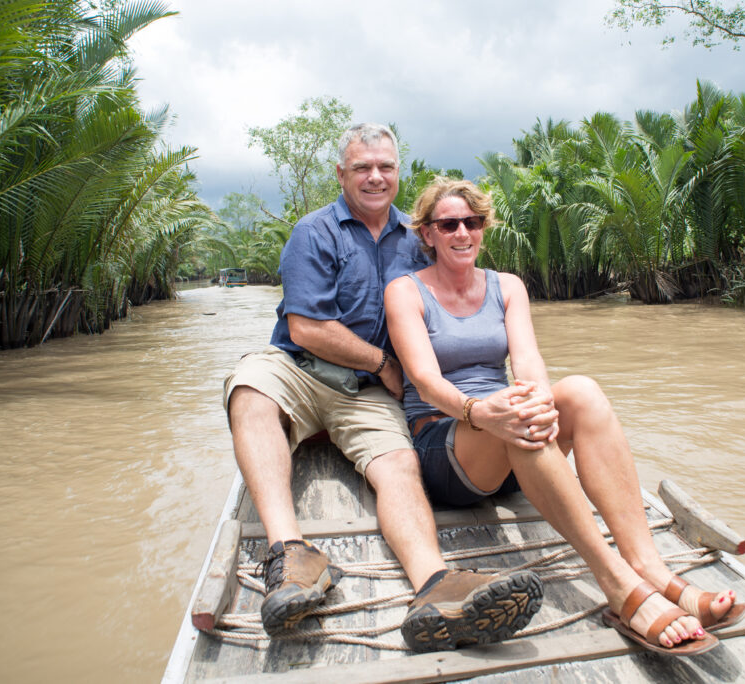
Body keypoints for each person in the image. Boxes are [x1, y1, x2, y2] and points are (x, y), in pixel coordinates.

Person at [384, 177, 745, 656]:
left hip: (513, 439)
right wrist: (482, 412)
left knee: (581, 392)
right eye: (448, 224)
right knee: (518, 421)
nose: (462, 233)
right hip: (448, 443)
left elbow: (528, 360)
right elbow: (426, 381)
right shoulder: (405, 291)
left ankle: (650, 568)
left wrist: (531, 398)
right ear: (428, 234)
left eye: (472, 222)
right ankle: (617, 584)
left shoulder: (506, 286)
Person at [223, 125, 541, 653]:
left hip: (368, 390)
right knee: (250, 389)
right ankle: (291, 553)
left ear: (398, 173)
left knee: (398, 464)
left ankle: (435, 584)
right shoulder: (315, 231)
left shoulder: (418, 240)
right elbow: (305, 327)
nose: (375, 177)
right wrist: (385, 363)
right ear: (342, 174)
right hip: (302, 369)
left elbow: (441, 303)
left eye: (386, 167)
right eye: (362, 167)